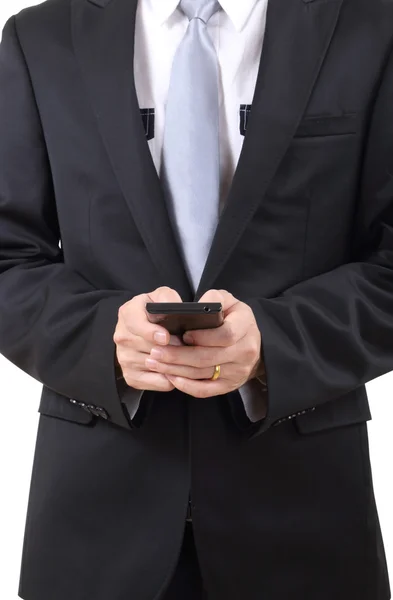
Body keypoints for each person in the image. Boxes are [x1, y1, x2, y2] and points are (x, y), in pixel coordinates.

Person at [0, 0, 392, 597]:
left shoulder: (372, 29)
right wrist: (104, 337)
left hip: (307, 524)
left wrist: (272, 345)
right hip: (94, 530)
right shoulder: (41, 38)